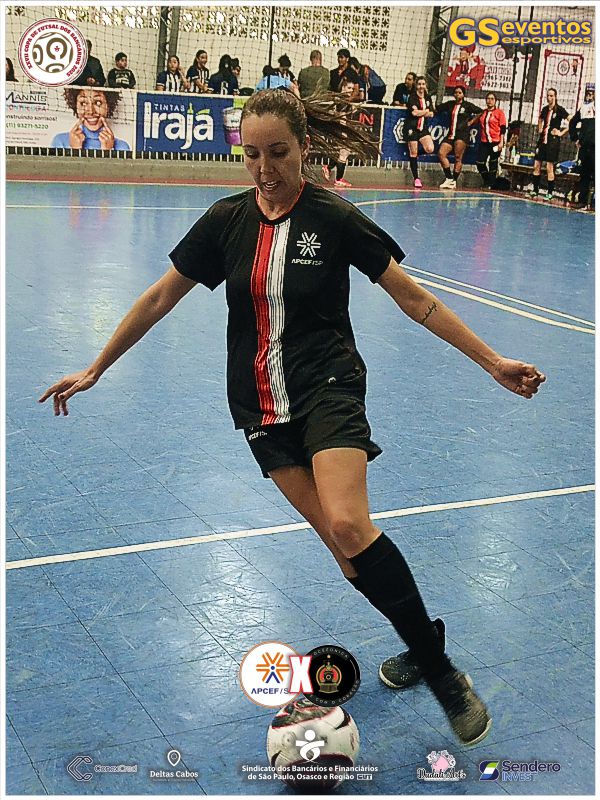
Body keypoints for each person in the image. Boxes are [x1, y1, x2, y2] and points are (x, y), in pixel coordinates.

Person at [40, 87, 546, 748]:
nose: (264, 168)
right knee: (343, 547)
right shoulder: (225, 221)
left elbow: (413, 298)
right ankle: (424, 636)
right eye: (251, 154)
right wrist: (97, 366)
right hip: (260, 405)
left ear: (305, 148)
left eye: (277, 152)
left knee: (348, 522)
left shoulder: (333, 217)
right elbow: (161, 296)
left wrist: (491, 360)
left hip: (329, 385)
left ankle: (441, 673)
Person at [50, 88, 130, 151]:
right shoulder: (60, 141)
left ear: (108, 106)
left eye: (98, 102)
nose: (91, 111)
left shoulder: (122, 147)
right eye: (83, 103)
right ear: (75, 106)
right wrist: (75, 151)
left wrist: (107, 153)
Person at [435, 87, 482, 188]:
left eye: (459, 93)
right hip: (451, 134)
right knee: (441, 153)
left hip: (462, 134)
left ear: (463, 95)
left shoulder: (468, 106)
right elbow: (437, 108)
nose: (457, 94)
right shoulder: (450, 104)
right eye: (456, 92)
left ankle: (454, 181)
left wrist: (471, 122)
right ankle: (449, 178)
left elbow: (481, 112)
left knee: (458, 157)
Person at [530, 88, 570, 200]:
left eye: (551, 96)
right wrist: (540, 129)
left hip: (553, 142)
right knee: (536, 165)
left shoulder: (560, 110)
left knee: (549, 167)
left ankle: (550, 193)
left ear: (555, 97)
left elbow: (571, 120)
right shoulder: (545, 109)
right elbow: (540, 119)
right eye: (548, 95)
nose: (549, 98)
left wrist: (561, 133)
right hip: (542, 141)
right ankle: (535, 190)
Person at [322, 77, 358, 188]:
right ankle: (338, 179)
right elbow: (341, 117)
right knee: (344, 152)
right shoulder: (342, 100)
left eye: (352, 88)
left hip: (341, 129)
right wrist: (343, 132)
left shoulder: (342, 100)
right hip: (341, 129)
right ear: (343, 87)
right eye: (349, 88)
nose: (351, 90)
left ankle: (328, 168)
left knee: (343, 152)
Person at [405, 76, 435, 188]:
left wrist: (423, 112)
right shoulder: (412, 97)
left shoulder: (428, 97)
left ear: (425, 85)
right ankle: (416, 178)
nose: (421, 86)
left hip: (423, 128)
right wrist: (425, 111)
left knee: (430, 148)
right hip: (411, 128)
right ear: (416, 85)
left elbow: (431, 113)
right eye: (419, 84)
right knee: (413, 153)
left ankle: (415, 154)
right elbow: (414, 113)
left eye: (423, 84)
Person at [472, 92, 506, 189]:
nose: (490, 101)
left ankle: (491, 184)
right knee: (480, 162)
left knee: (493, 162)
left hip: (495, 142)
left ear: (495, 101)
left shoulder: (499, 112)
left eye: (492, 99)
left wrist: (501, 142)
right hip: (484, 142)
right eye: (488, 98)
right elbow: (475, 121)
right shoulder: (483, 112)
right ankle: (487, 179)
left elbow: (503, 128)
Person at [568, 84, 595, 206]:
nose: (591, 95)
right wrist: (575, 138)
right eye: (589, 93)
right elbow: (572, 123)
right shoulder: (584, 108)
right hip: (585, 148)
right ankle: (582, 201)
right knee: (584, 175)